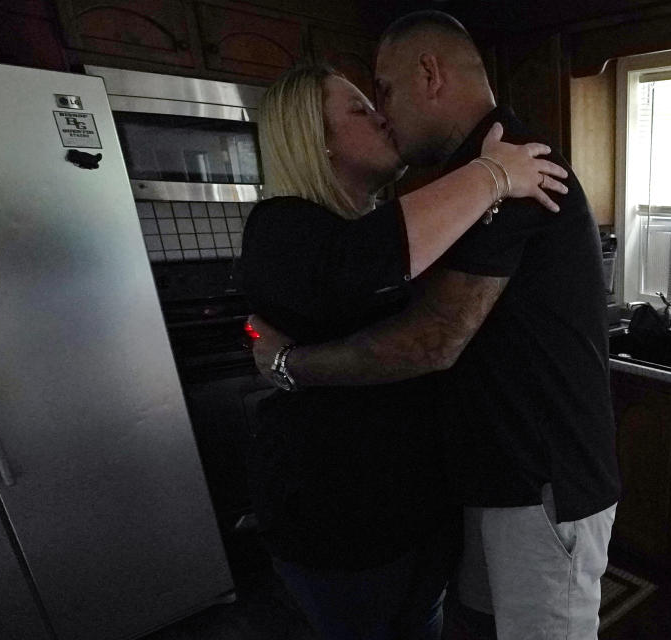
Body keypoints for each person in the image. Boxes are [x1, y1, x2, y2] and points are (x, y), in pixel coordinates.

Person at [247, 11, 620, 640]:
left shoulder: (517, 168)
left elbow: (434, 339)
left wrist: (288, 365)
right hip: (483, 483)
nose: (384, 115)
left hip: (543, 480)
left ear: (428, 72)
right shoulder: (461, 186)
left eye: (383, 94)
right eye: (364, 108)